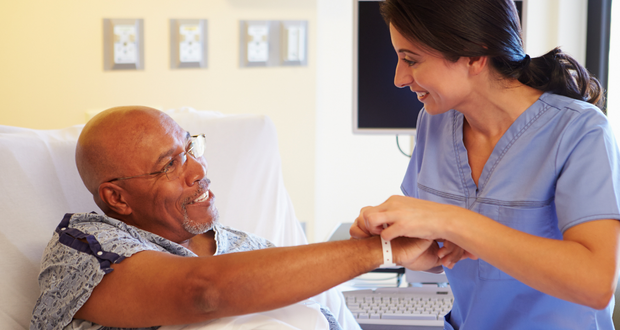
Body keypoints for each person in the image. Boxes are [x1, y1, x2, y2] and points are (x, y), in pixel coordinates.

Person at [30, 106, 440, 330]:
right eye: (170, 164)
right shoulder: (83, 246)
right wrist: (380, 250)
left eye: (191, 147)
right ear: (117, 198)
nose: (198, 171)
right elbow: (201, 293)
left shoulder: (250, 250)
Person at [350, 0, 620, 329]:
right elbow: (446, 249)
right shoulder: (433, 124)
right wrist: (409, 250)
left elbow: (596, 284)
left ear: (476, 56)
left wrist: (452, 221)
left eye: (411, 59)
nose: (399, 78)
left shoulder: (580, 132)